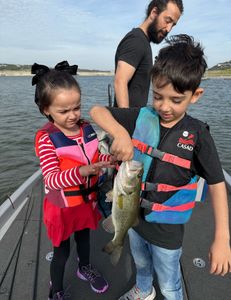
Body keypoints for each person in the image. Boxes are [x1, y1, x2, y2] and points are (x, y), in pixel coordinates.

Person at [90, 35, 231, 300]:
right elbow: (97, 111)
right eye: (158, 96)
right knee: (142, 264)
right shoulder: (143, 116)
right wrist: (120, 133)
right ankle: (144, 290)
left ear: (195, 95)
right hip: (133, 221)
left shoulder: (199, 135)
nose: (164, 107)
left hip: (167, 231)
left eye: (176, 100)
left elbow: (216, 184)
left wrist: (222, 238)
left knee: (168, 282)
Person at [32, 61, 114, 300]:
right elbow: (53, 178)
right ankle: (55, 289)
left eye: (76, 108)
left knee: (85, 238)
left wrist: (112, 159)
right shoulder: (47, 139)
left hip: (85, 203)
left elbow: (97, 156)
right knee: (61, 251)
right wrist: (83, 171)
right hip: (62, 209)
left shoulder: (87, 128)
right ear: (46, 109)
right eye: (64, 111)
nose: (73, 116)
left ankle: (84, 267)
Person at [114, 0, 183, 108]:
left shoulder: (143, 41)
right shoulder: (136, 40)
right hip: (127, 122)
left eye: (173, 25)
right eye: (167, 20)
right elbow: (120, 82)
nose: (169, 29)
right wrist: (125, 121)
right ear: (154, 13)